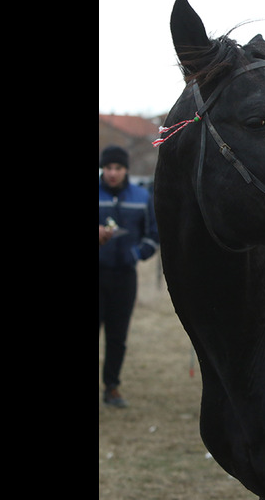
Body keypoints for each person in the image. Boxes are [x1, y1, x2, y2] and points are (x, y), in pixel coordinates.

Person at [99, 145, 159, 408]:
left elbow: (153, 235)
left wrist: (136, 254)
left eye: (118, 168)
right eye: (108, 168)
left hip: (124, 277)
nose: (113, 173)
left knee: (117, 336)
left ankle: (111, 387)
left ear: (126, 169)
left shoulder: (142, 196)